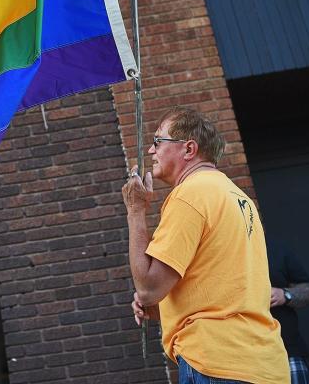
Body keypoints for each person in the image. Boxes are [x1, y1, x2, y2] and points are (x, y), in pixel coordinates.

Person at [122, 106, 288, 384]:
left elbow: (148, 289)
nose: (151, 151)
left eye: (157, 142)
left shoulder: (190, 194)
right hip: (263, 362)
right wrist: (166, 309)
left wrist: (136, 211)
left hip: (217, 361)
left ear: (188, 149)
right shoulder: (237, 196)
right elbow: (222, 285)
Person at [267, 240, 309, 384]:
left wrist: (285, 295)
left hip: (286, 348)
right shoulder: (225, 252)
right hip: (241, 355)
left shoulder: (276, 249)